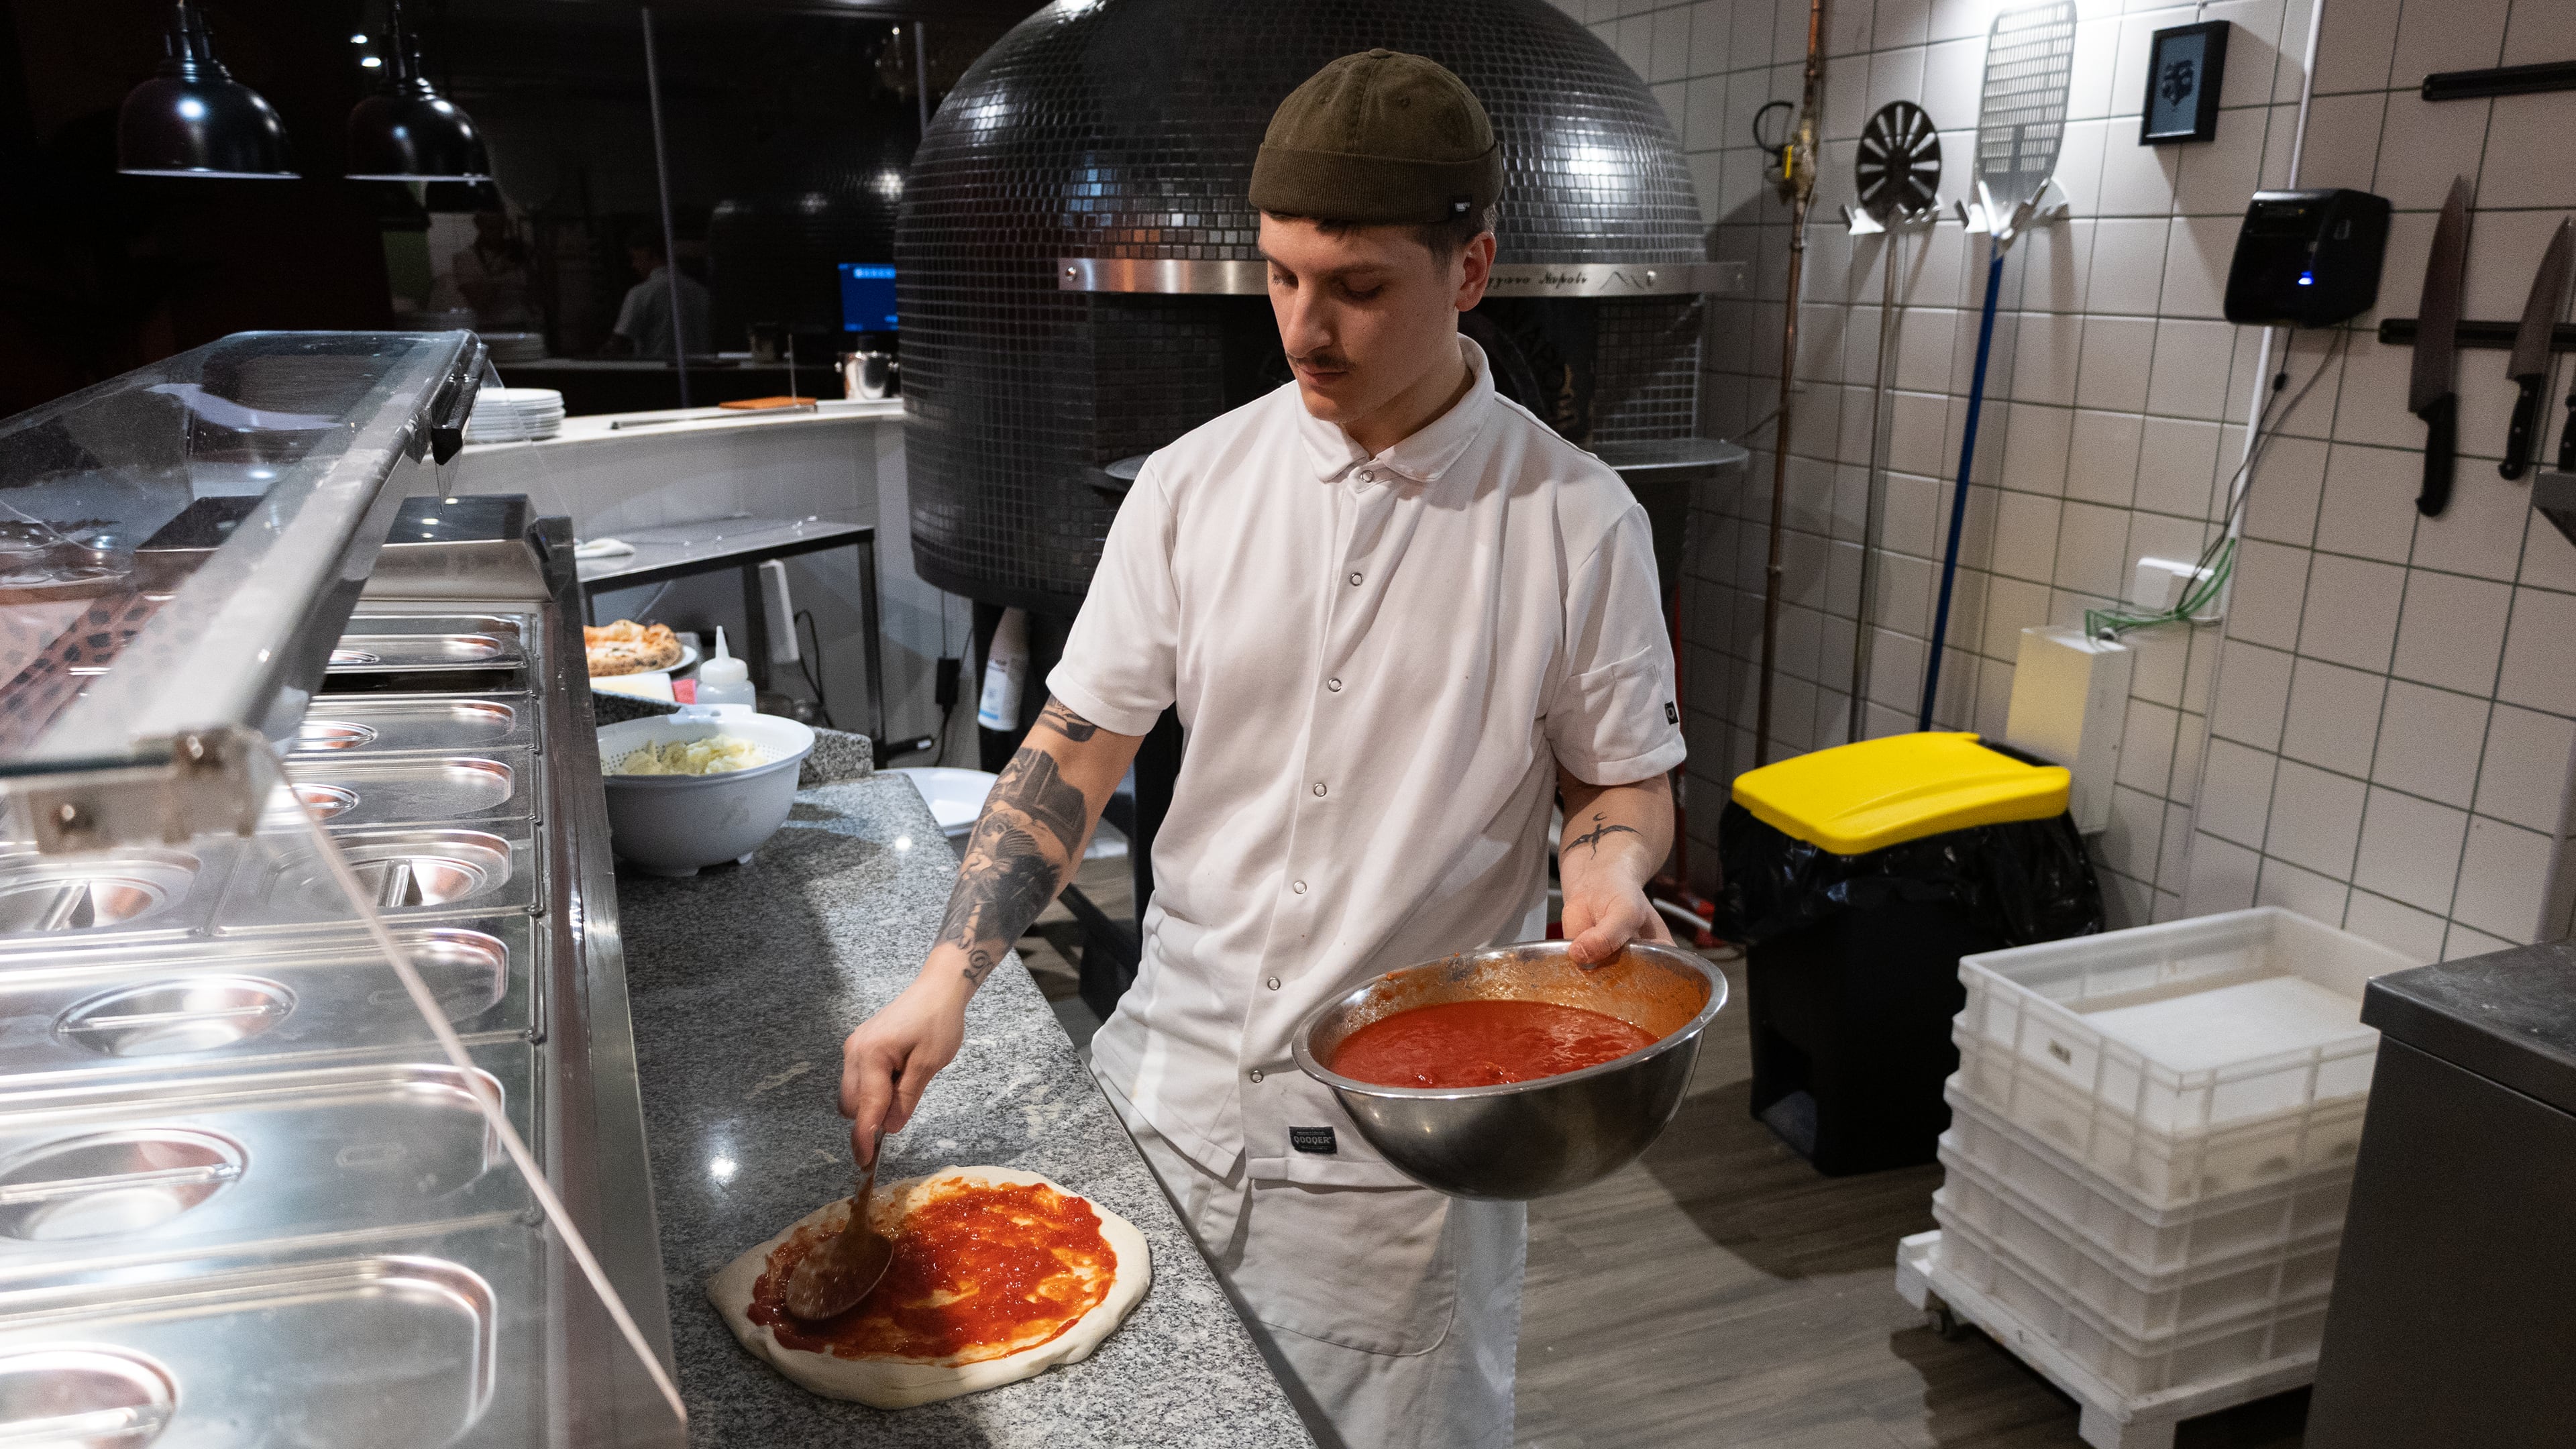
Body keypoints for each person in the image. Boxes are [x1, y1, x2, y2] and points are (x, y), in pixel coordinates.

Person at [838, 50, 1682, 1449]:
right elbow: (1078, 743)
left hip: (1397, 1154)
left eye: (1358, 287)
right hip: (1165, 1089)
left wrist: (1607, 873)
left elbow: (1617, 777)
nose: (1305, 326)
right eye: (1284, 276)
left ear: (1470, 270)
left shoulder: (1576, 521)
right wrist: (947, 979)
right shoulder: (1191, 486)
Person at [604, 225, 708, 359]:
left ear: (648, 253)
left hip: (657, 373)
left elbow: (618, 342)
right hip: (700, 374)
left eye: (634, 257)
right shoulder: (701, 292)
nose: (634, 265)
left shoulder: (641, 293)